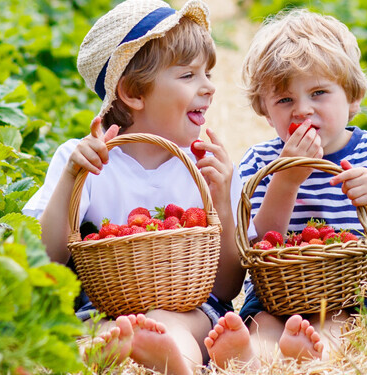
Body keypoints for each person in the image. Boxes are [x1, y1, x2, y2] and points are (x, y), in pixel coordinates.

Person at [22, 1, 249, 373]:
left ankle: (176, 361)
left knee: (175, 324)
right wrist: (70, 181)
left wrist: (222, 201)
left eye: (207, 73)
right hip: (101, 306)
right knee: (104, 331)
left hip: (187, 306)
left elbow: (225, 288)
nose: (208, 87)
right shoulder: (83, 159)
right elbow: (45, 260)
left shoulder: (205, 166)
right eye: (188, 75)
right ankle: (111, 348)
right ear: (134, 93)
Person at [204, 8, 367, 369]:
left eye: (319, 93)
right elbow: (259, 248)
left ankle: (315, 353)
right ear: (264, 108)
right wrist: (287, 179)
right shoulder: (260, 163)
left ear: (352, 98)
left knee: (339, 323)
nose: (302, 110)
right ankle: (249, 356)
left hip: (355, 291)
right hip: (278, 295)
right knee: (263, 323)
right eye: (285, 100)